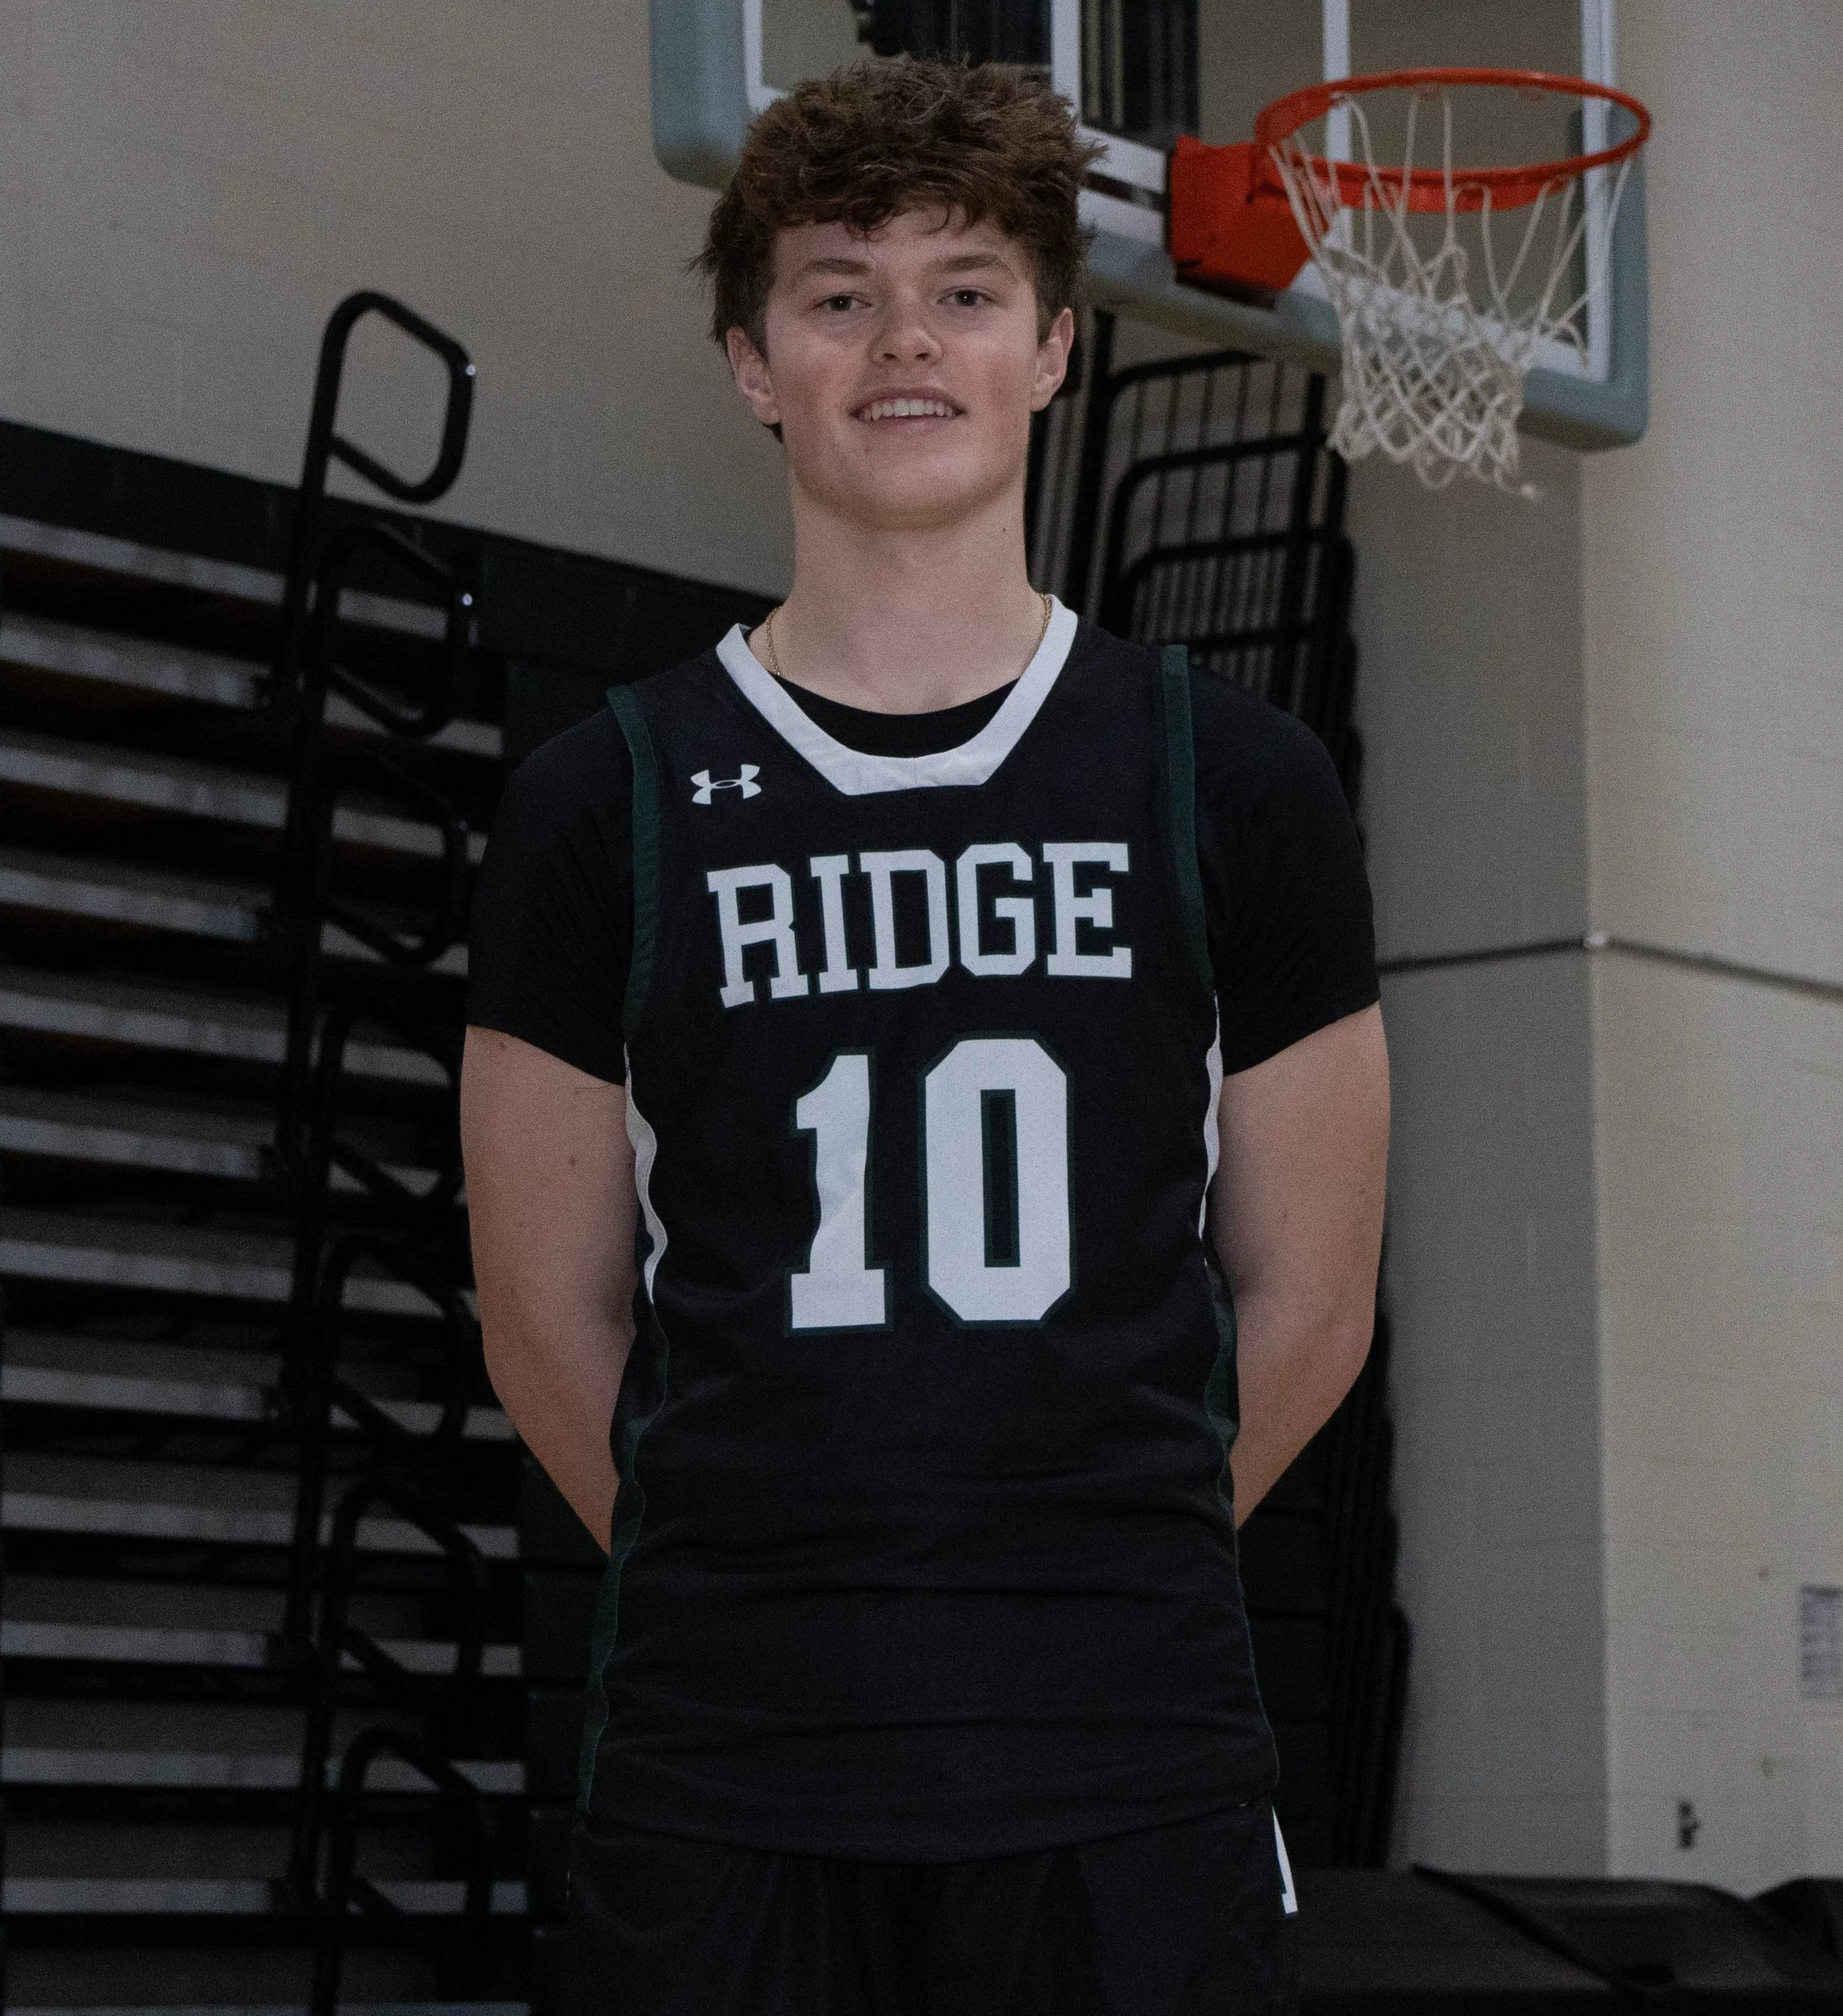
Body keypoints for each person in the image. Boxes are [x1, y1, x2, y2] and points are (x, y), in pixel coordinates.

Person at [461, 56, 1388, 2016]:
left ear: (1050, 346)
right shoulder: (600, 800)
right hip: (731, 1764)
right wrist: (774, 1586)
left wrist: (1073, 1570)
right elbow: (545, 1317)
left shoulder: (1231, 781)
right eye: (838, 293)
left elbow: (1310, 1301)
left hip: (1124, 1761)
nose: (903, 340)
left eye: (963, 289)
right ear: (751, 361)